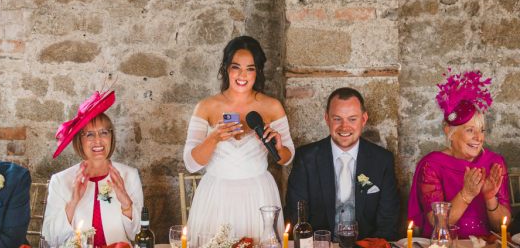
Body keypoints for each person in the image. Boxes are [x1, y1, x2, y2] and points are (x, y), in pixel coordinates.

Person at [183, 35, 295, 243]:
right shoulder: (206, 106)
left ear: (258, 71)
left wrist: (278, 147)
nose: (242, 75)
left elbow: (287, 158)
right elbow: (190, 163)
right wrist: (214, 138)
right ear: (226, 68)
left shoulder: (272, 106)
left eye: (250, 68)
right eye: (236, 67)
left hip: (258, 194)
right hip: (216, 195)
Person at [286, 87, 400, 241]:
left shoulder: (382, 160)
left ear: (364, 119)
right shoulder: (306, 158)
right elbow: (296, 216)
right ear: (327, 119)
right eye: (337, 118)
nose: (344, 127)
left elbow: (388, 221)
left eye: (352, 119)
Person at [408, 70, 511, 238]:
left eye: (482, 130)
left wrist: (490, 198)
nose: (479, 138)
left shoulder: (494, 162)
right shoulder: (432, 164)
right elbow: (438, 224)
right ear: (450, 132)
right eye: (470, 130)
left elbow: (502, 227)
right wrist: (467, 194)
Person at [42, 90, 143, 247]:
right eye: (89, 134)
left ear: (111, 137)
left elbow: (138, 235)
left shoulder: (130, 175)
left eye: (104, 133)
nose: (98, 140)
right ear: (79, 141)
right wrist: (73, 202)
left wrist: (126, 204)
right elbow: (51, 238)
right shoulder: (60, 181)